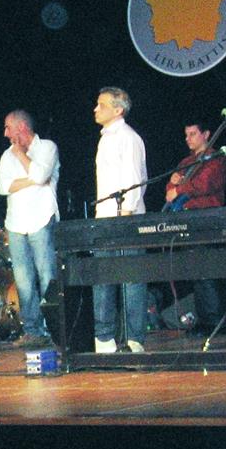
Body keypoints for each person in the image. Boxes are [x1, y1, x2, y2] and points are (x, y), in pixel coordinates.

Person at [0, 109, 60, 348]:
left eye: (8, 127)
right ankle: (33, 330)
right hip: (15, 223)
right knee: (23, 281)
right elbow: (2, 186)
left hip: (41, 219)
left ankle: (56, 330)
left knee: (47, 276)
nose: (5, 133)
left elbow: (41, 175)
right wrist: (33, 179)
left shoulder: (47, 148)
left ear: (21, 127)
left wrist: (21, 155)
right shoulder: (6, 155)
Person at [92, 87, 148, 353]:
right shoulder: (105, 139)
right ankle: (104, 338)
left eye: (101, 105)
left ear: (118, 110)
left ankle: (134, 338)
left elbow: (134, 180)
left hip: (125, 219)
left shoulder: (128, 138)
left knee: (131, 279)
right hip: (105, 218)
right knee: (103, 277)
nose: (96, 109)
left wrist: (125, 217)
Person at [164, 118, 226, 334]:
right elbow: (170, 191)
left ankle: (214, 321)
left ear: (206, 134)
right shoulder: (186, 162)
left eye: (192, 134)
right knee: (195, 271)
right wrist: (173, 182)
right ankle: (203, 319)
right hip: (187, 219)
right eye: (186, 135)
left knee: (206, 270)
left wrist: (179, 188)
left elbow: (205, 184)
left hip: (206, 219)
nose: (188, 139)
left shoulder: (216, 159)